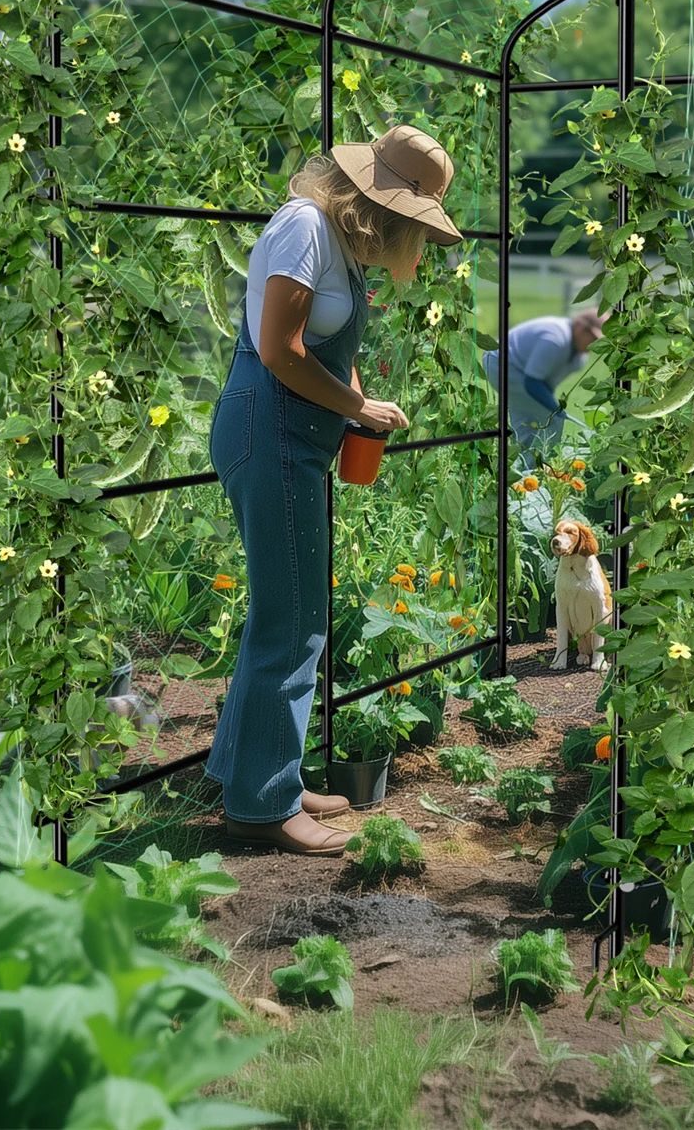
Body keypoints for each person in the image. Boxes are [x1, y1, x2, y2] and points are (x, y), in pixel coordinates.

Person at [205, 124, 461, 856]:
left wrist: (356, 399)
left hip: (294, 438)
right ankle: (262, 806)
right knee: (294, 624)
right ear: (377, 202)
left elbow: (325, 347)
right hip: (269, 432)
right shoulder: (303, 228)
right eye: (411, 223)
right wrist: (356, 410)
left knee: (285, 613)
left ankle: (249, 769)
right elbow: (277, 350)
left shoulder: (338, 247)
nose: (411, 242)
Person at [483, 309, 604, 455]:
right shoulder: (555, 340)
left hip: (521, 371)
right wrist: (555, 410)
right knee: (549, 420)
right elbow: (532, 382)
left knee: (533, 421)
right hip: (502, 363)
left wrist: (553, 408)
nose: (594, 344)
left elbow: (546, 385)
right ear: (579, 326)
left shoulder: (578, 360)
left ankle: (525, 467)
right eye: (591, 337)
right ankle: (536, 468)